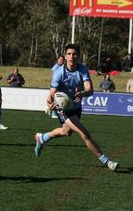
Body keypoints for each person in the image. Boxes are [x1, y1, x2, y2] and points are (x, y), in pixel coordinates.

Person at [34, 44, 119, 172]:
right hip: (63, 108)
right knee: (84, 134)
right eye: (69, 54)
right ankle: (107, 162)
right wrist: (50, 101)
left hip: (76, 106)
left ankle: (42, 138)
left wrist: (83, 93)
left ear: (78, 56)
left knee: (66, 132)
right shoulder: (59, 72)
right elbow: (52, 92)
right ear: (65, 56)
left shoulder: (82, 69)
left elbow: (90, 89)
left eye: (74, 54)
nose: (71, 57)